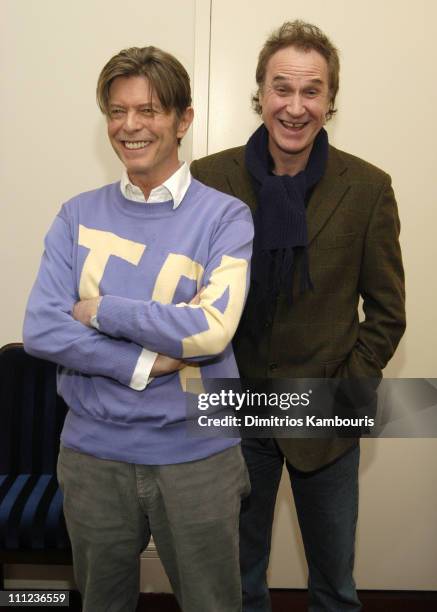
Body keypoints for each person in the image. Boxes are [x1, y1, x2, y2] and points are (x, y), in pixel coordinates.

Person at [23, 45, 253, 612]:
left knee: (213, 604)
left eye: (149, 110)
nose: (130, 126)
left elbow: (209, 332)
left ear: (183, 119)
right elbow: (41, 330)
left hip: (199, 454)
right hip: (92, 455)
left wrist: (101, 311)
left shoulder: (226, 217)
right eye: (117, 111)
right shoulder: (76, 214)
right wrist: (146, 362)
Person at [190, 20, 406, 612]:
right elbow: (188, 296)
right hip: (235, 411)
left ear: (330, 102)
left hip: (327, 413)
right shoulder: (210, 180)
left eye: (311, 91)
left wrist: (347, 390)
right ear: (259, 93)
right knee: (238, 582)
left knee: (335, 586)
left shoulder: (367, 188)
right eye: (281, 88)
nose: (294, 106)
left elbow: (387, 313)